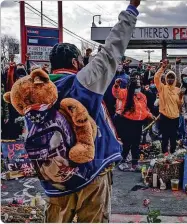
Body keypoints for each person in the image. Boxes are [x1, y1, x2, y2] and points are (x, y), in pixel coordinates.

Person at [43, 1, 140, 222]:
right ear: (75, 62)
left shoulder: (36, 92)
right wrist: (132, 9)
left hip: (54, 178)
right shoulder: (83, 82)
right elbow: (112, 50)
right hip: (90, 173)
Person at [113, 72, 154, 171]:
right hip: (127, 122)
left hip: (138, 123)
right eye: (136, 85)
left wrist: (150, 115)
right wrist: (116, 85)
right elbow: (116, 93)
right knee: (127, 143)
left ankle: (134, 164)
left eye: (139, 85)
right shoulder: (125, 93)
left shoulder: (142, 96)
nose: (138, 87)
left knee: (136, 143)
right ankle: (122, 162)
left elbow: (144, 109)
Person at [154, 60, 183, 154]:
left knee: (174, 137)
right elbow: (156, 78)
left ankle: (173, 154)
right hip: (164, 116)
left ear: (174, 79)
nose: (170, 79)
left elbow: (180, 104)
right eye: (169, 77)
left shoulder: (178, 90)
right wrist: (162, 68)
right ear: (166, 78)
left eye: (172, 78)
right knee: (165, 137)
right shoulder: (162, 88)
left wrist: (181, 98)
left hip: (175, 117)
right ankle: (165, 154)